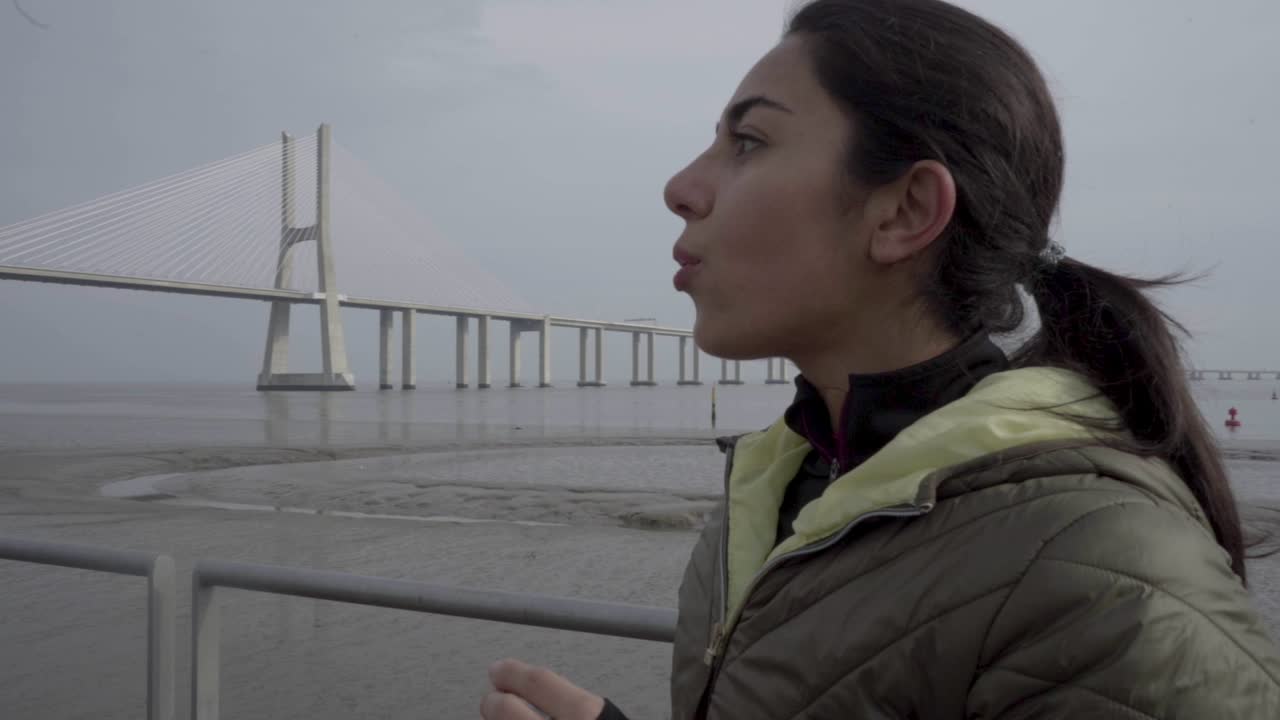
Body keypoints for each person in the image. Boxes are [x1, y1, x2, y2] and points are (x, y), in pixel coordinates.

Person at [480, 0, 1280, 717]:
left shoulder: (1101, 582)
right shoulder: (784, 492)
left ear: (904, 211)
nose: (681, 187)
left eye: (749, 141)